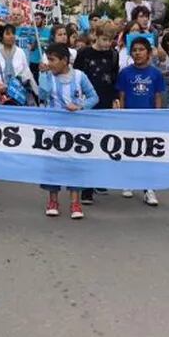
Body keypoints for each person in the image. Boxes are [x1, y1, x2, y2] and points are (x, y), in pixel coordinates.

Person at [38, 43, 99, 219]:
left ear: (65, 60)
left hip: (75, 129)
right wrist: (43, 75)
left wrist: (80, 106)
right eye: (47, 59)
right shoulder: (48, 76)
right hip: (52, 129)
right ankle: (52, 200)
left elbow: (94, 97)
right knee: (52, 164)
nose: (49, 63)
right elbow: (42, 95)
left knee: (75, 164)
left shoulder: (80, 76)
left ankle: (75, 202)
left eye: (53, 60)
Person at [73, 21, 121, 205]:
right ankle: (86, 188)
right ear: (95, 35)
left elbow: (114, 78)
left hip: (106, 102)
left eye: (110, 40)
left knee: (103, 141)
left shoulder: (113, 55)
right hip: (87, 103)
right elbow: (76, 77)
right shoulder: (84, 53)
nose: (107, 43)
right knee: (87, 142)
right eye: (104, 39)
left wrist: (116, 98)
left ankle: (98, 180)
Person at [116, 37, 165, 207]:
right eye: (134, 50)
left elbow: (158, 96)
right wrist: (122, 115)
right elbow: (121, 96)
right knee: (129, 150)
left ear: (149, 53)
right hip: (130, 119)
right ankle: (128, 181)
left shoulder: (156, 74)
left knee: (148, 153)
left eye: (141, 50)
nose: (137, 53)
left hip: (148, 120)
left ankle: (149, 188)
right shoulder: (125, 73)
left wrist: (158, 116)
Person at [0, 23, 37, 106]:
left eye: (13, 33)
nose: (12, 36)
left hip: (17, 93)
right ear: (1, 36)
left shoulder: (20, 52)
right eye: (8, 34)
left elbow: (26, 71)